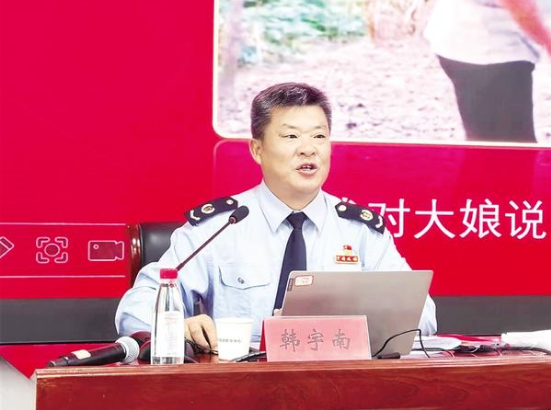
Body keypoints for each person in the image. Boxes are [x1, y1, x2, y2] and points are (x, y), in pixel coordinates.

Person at [115, 83, 437, 351]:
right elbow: (136, 309)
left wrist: (355, 327)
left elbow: (421, 314)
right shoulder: (221, 226)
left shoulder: (359, 231)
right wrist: (177, 326)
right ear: (257, 150)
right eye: (291, 136)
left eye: (319, 136)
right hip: (241, 386)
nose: (308, 149)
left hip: (342, 385)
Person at [425, 0, 551, 143]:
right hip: (486, 47)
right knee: (506, 146)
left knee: (492, 140)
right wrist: (547, 41)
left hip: (476, 35)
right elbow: (518, 4)